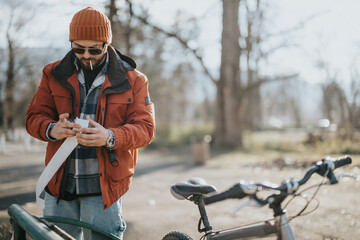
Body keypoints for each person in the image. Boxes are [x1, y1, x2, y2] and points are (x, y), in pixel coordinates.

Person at [26, 6, 155, 239]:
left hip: (104, 188)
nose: (86, 55)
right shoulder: (52, 73)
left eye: (94, 49)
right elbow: (34, 117)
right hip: (60, 184)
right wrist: (52, 129)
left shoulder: (135, 80)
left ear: (107, 44)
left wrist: (110, 136)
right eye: (78, 48)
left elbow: (146, 129)